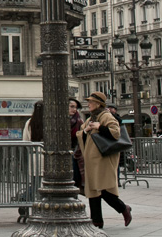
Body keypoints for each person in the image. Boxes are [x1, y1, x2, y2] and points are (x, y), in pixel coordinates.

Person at [78, 91, 132, 229]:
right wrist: (86, 130)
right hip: (92, 159)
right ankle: (97, 221)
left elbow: (115, 133)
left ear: (98, 104)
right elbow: (80, 133)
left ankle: (123, 209)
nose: (88, 104)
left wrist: (99, 127)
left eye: (90, 101)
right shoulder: (91, 118)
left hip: (103, 158)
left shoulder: (105, 116)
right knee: (93, 190)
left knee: (102, 189)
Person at [69, 98, 85, 195]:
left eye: (75, 107)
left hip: (75, 153)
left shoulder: (79, 121)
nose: (74, 109)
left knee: (75, 176)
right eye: (72, 106)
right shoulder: (59, 120)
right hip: (63, 153)